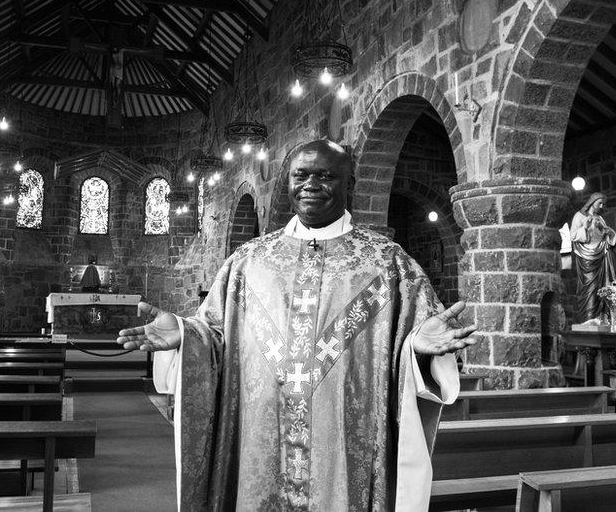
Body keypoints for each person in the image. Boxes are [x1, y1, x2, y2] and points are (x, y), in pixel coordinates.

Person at [118, 140, 476, 511]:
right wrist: (186, 335)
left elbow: (405, 349)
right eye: (301, 175)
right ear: (288, 181)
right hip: (260, 439)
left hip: (343, 448)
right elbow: (215, 333)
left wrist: (416, 347)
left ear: (347, 183)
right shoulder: (249, 260)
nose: (311, 184)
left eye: (326, 175)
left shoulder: (387, 263)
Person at [570, 192, 616, 324]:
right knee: (589, 288)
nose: (601, 206)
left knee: (601, 286)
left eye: (603, 204)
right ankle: (588, 319)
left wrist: (608, 232)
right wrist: (584, 227)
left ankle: (600, 318)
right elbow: (573, 236)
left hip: (601, 255)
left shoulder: (600, 218)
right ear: (592, 202)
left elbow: (605, 236)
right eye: (599, 203)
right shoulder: (579, 216)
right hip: (586, 258)